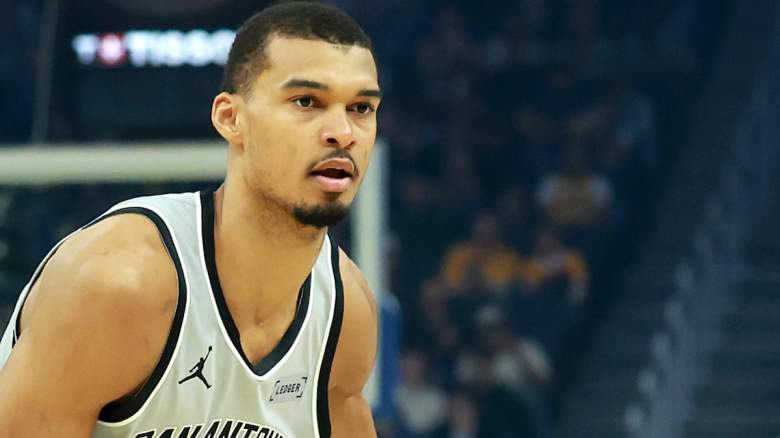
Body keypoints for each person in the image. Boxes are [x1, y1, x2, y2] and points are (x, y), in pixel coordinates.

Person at [0, 3, 382, 437]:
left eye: (361, 108)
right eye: (306, 101)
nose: (343, 131)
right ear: (230, 118)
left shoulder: (344, 312)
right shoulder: (117, 284)